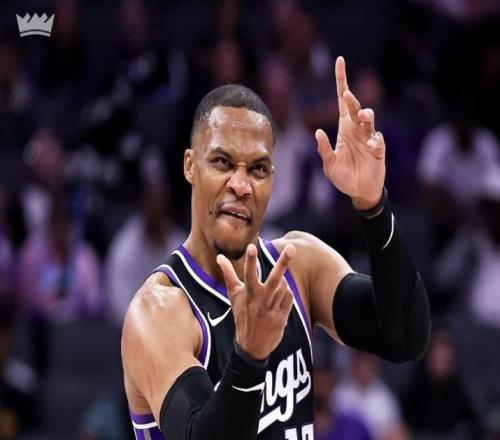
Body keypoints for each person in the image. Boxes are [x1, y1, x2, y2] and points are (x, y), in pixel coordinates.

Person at [121, 56, 431, 440]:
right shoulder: (158, 313)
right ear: (190, 166)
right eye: (222, 162)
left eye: (258, 169)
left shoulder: (299, 264)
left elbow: (406, 337)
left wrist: (374, 207)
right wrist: (250, 357)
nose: (240, 184)